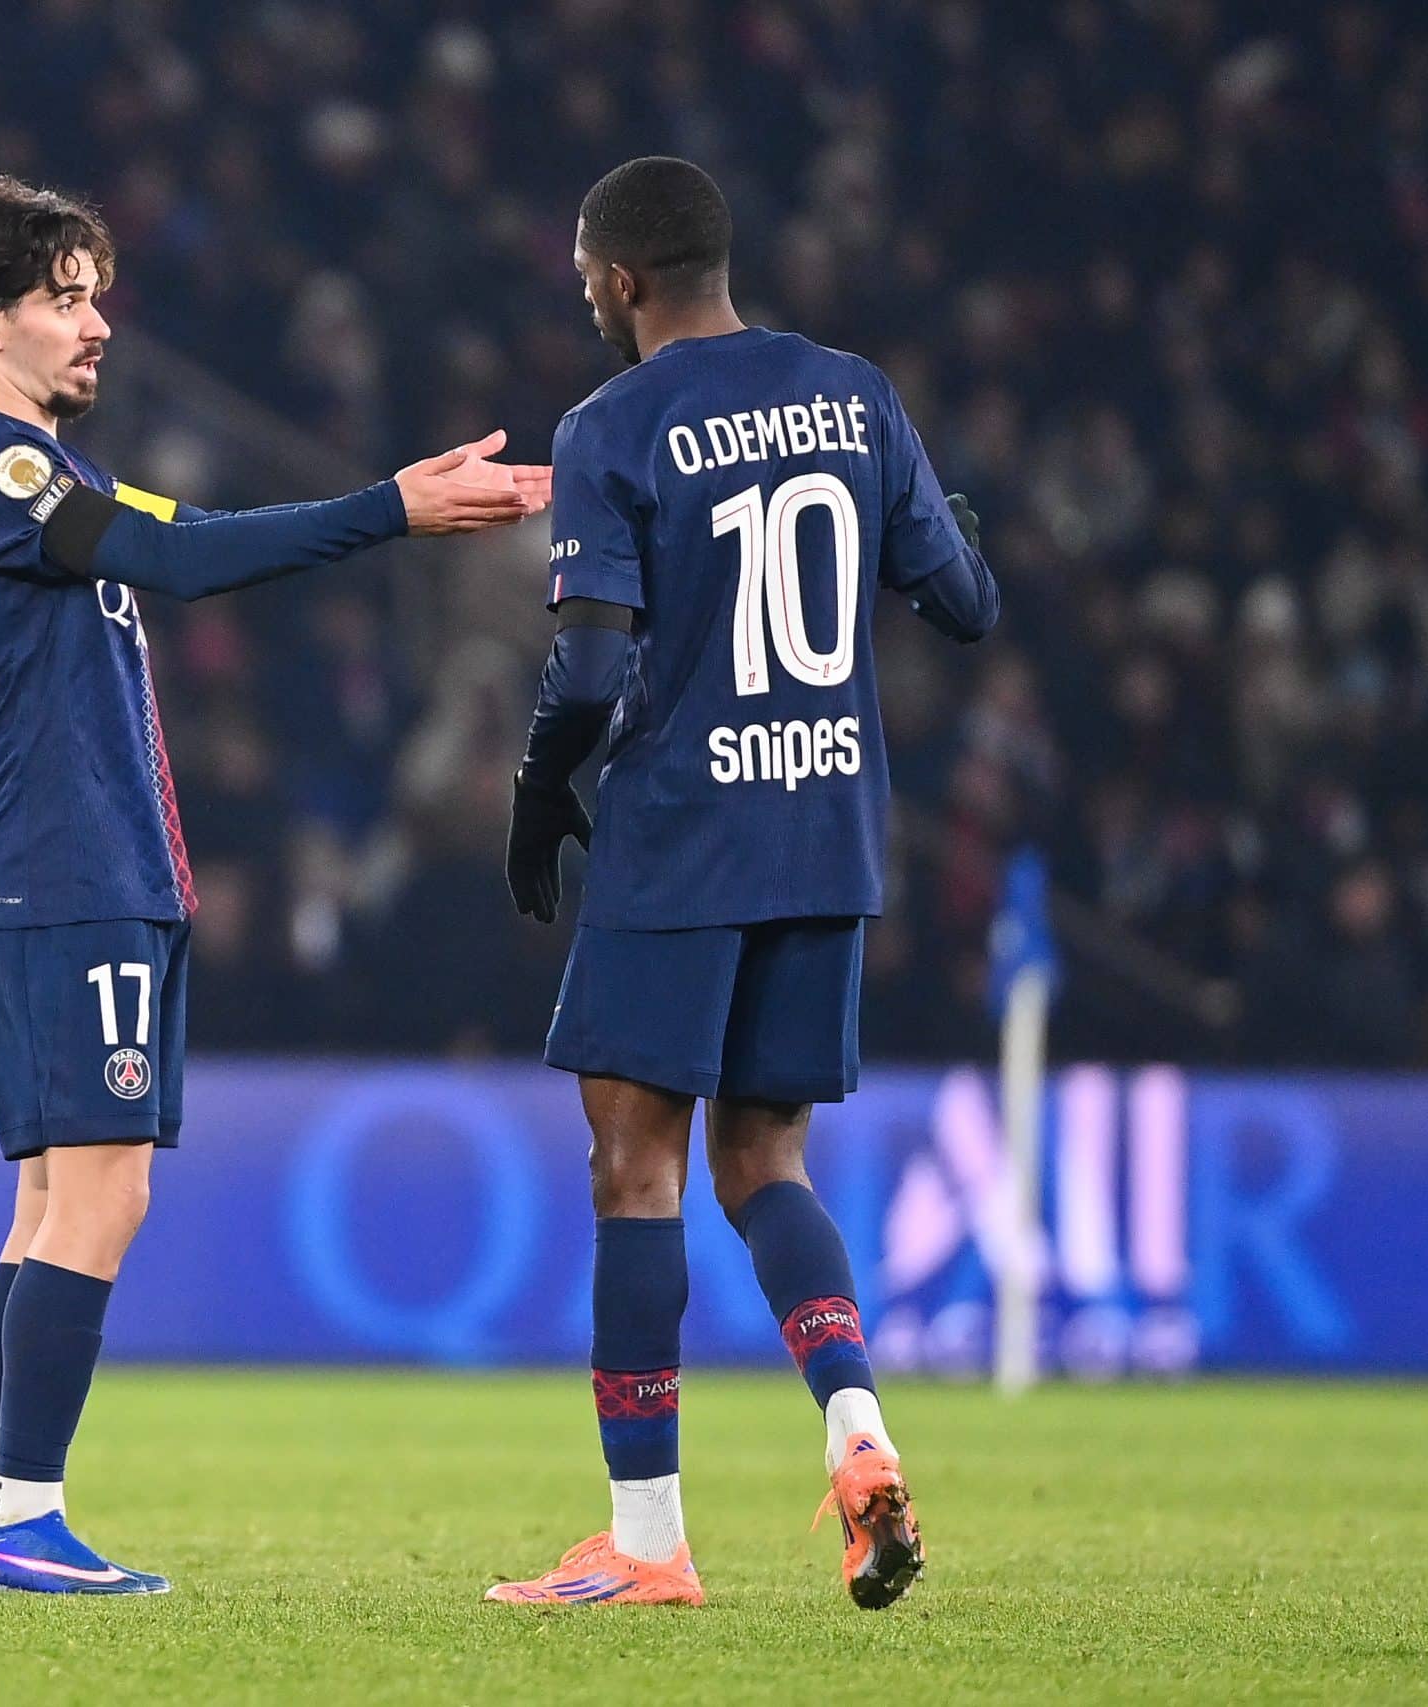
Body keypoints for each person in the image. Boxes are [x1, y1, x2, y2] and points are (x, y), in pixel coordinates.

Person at [0, 176, 543, 1594]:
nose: (99, 326)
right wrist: (394, 506)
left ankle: (0, 1514)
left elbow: (179, 533)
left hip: (57, 865)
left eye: (95, 294)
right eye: (68, 300)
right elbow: (181, 559)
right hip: (66, 867)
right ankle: (19, 1522)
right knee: (103, 1198)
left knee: (51, 1203)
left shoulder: (48, 478)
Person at [488, 157, 998, 1610]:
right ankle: (860, 1439)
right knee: (765, 1162)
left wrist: (538, 797)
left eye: (588, 273)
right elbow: (965, 604)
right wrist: (961, 527)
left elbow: (588, 662)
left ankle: (647, 1545)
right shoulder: (857, 393)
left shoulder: (615, 422)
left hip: (685, 830)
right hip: (828, 830)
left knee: (635, 1164)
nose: (586, 293)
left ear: (621, 277)